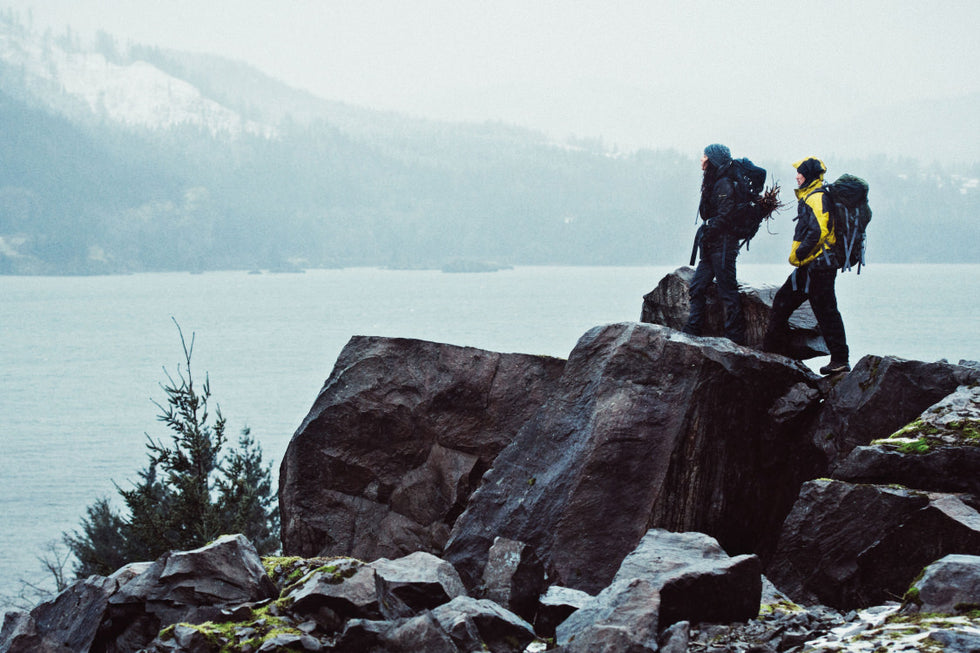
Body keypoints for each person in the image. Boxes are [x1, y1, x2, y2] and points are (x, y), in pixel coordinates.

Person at [763, 157, 850, 375]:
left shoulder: (817, 197)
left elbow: (819, 230)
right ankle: (772, 353)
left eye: (800, 173)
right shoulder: (811, 196)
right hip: (810, 266)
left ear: (809, 175)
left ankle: (840, 359)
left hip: (820, 265)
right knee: (783, 301)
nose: (797, 176)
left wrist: (800, 253)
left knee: (827, 312)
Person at [683, 143, 746, 345]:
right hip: (712, 245)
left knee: (727, 290)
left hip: (724, 245)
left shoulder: (724, 184)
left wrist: (708, 232)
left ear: (712, 160)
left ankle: (734, 337)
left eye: (704, 156)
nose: (701, 159)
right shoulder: (714, 182)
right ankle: (692, 329)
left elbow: (725, 215)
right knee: (697, 286)